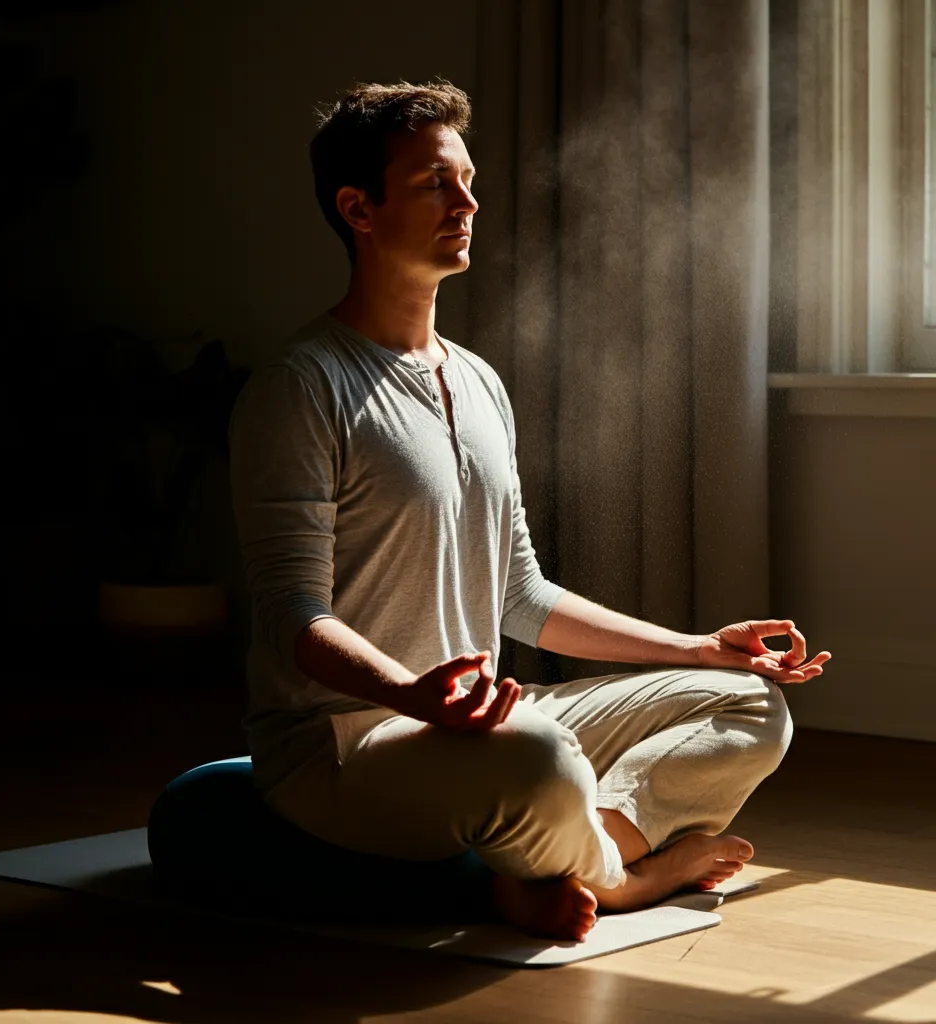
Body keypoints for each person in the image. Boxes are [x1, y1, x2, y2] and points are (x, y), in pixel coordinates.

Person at [228, 79, 831, 943]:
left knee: (746, 702)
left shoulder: (477, 380)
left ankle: (568, 861)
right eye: (438, 183)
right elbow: (294, 615)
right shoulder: (301, 388)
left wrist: (699, 647)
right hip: (343, 748)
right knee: (542, 757)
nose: (469, 202)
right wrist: (412, 695)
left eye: (470, 180)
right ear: (359, 209)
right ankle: (620, 881)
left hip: (479, 724)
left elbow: (522, 595)